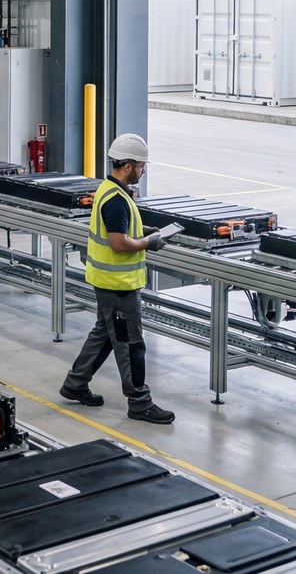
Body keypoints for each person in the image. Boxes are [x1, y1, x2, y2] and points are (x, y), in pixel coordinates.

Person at [59, 133, 176, 424]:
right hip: (119, 287)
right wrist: (150, 243)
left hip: (108, 282)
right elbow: (119, 244)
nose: (143, 170)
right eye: (140, 165)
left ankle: (75, 384)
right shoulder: (115, 200)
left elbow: (120, 234)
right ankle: (139, 402)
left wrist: (143, 233)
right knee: (131, 344)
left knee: (106, 335)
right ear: (127, 166)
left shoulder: (109, 190)